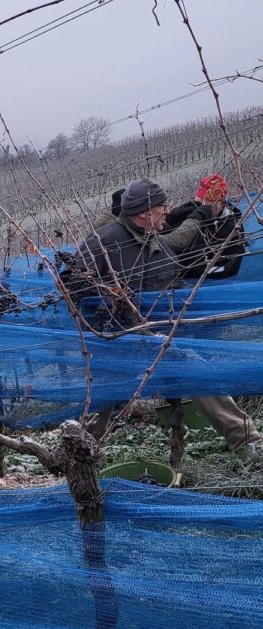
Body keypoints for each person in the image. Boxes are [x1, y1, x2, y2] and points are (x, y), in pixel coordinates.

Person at [62, 178, 262, 461]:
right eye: (162, 207)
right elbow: (70, 282)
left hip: (155, 337)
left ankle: (248, 443)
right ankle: (77, 459)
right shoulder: (105, 241)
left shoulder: (154, 240)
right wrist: (110, 294)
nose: (168, 211)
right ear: (145, 212)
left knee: (199, 373)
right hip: (115, 341)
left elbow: (171, 278)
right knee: (102, 399)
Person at [165, 174, 246, 281]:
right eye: (201, 202)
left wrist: (189, 271)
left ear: (222, 202)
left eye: (208, 203)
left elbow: (230, 268)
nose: (204, 207)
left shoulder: (233, 226)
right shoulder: (192, 210)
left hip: (205, 281)